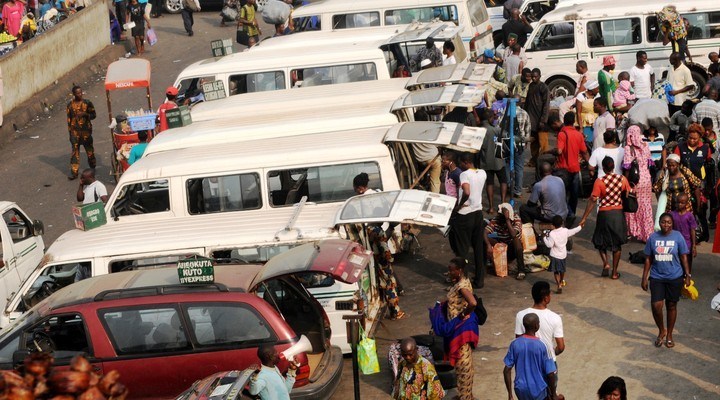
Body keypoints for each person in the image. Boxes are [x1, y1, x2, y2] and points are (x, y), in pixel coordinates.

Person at [641, 213, 691, 349]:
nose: (666, 225)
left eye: (669, 222)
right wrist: (644, 277)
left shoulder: (678, 237)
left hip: (675, 277)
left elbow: (683, 256)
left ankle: (669, 334)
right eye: (663, 222)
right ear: (659, 222)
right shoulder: (653, 237)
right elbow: (648, 259)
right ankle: (661, 330)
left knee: (671, 306)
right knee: (656, 306)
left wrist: (687, 274)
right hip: (657, 277)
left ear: (672, 223)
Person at [579, 156, 630, 280]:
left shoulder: (599, 181)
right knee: (617, 244)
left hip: (604, 214)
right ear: (613, 167)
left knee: (600, 241)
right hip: (617, 213)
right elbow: (628, 193)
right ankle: (614, 272)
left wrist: (584, 217)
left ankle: (606, 263)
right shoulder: (622, 179)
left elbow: (592, 200)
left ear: (602, 167)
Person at [503, 313, 559, 400]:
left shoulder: (515, 344)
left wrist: (510, 395)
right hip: (539, 390)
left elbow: (506, 370)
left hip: (520, 389)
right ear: (537, 326)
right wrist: (553, 394)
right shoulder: (543, 345)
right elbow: (551, 374)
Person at [444, 257, 477, 400]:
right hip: (456, 328)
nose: (449, 272)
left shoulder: (462, 286)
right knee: (462, 364)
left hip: (460, 330)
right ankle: (466, 395)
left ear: (460, 271)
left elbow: (473, 302)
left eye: (452, 270)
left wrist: (463, 314)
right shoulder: (460, 282)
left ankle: (465, 397)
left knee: (463, 364)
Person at [515, 281, 565, 374]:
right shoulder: (555, 318)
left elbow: (518, 341)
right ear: (546, 298)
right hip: (548, 362)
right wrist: (553, 352)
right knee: (551, 387)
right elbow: (561, 347)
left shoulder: (520, 315)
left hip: (529, 362)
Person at [453, 152, 487, 288]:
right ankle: (479, 279)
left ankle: (463, 280)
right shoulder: (482, 173)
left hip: (465, 213)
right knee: (478, 247)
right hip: (478, 212)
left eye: (461, 163)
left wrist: (460, 205)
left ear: (466, 162)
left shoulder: (464, 174)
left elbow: (466, 191)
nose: (460, 165)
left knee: (462, 249)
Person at [548, 112, 589, 218]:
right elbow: (584, 152)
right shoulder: (579, 134)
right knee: (574, 194)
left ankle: (566, 213)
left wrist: (550, 151)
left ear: (564, 121)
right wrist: (590, 165)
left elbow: (559, 151)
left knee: (562, 193)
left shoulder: (562, 134)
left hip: (563, 169)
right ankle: (572, 213)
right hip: (575, 169)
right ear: (573, 121)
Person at [623, 125, 655, 242]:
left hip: (634, 181)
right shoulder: (646, 146)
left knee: (633, 205)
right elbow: (649, 164)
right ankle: (647, 234)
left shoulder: (628, 148)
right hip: (646, 181)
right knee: (645, 206)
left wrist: (626, 183)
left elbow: (627, 167)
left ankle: (633, 231)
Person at [484, 203, 528, 280]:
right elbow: (484, 232)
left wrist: (507, 220)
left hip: (513, 249)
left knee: (516, 240)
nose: (500, 217)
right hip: (501, 246)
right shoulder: (496, 220)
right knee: (484, 239)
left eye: (502, 215)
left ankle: (521, 270)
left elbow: (513, 234)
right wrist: (488, 245)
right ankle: (486, 264)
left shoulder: (516, 219)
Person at [501, 99, 531, 198]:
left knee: (506, 165)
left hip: (507, 142)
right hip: (520, 143)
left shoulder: (506, 112)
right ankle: (517, 190)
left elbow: (500, 126)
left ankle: (509, 186)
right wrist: (525, 141)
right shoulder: (525, 113)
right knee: (519, 168)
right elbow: (528, 129)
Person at [478, 108, 507, 210]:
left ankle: (491, 207)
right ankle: (503, 203)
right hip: (498, 161)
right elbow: (506, 136)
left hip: (485, 161)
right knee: (503, 181)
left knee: (489, 183)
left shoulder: (478, 130)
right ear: (490, 118)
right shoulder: (495, 130)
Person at [543, 216, 581, 294]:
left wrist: (544, 238)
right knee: (562, 270)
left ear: (553, 225)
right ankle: (561, 280)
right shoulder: (565, 231)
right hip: (563, 255)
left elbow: (549, 245)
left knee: (556, 271)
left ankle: (559, 285)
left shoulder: (552, 233)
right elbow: (574, 231)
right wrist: (580, 226)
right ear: (562, 223)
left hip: (554, 255)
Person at [66, 85, 96, 180]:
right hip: (75, 133)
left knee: (90, 151)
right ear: (74, 94)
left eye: (81, 92)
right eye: (78, 93)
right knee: (75, 153)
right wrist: (70, 133)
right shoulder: (70, 105)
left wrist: (85, 114)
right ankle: (74, 173)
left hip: (86, 132)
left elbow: (93, 115)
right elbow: (69, 120)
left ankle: (92, 167)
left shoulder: (87, 103)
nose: (80, 94)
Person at [525, 68, 549, 167]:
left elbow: (546, 104)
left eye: (535, 76)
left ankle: (545, 162)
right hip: (531, 119)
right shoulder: (531, 86)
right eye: (532, 77)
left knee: (543, 143)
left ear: (539, 76)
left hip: (540, 119)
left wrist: (543, 120)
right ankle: (534, 160)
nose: (533, 78)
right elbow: (527, 101)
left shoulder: (543, 87)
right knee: (534, 143)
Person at [670, 193, 697, 273]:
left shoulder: (689, 216)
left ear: (687, 203)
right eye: (678, 202)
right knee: (676, 263)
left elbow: (692, 230)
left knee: (687, 263)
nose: (679, 204)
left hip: (687, 244)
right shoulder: (672, 214)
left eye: (682, 202)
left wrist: (694, 245)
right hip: (675, 243)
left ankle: (687, 277)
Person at [575, 80, 600, 146]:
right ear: (591, 90)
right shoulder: (580, 96)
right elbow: (578, 112)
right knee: (585, 142)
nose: (598, 90)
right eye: (597, 89)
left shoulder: (598, 96)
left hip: (595, 122)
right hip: (584, 123)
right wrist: (581, 128)